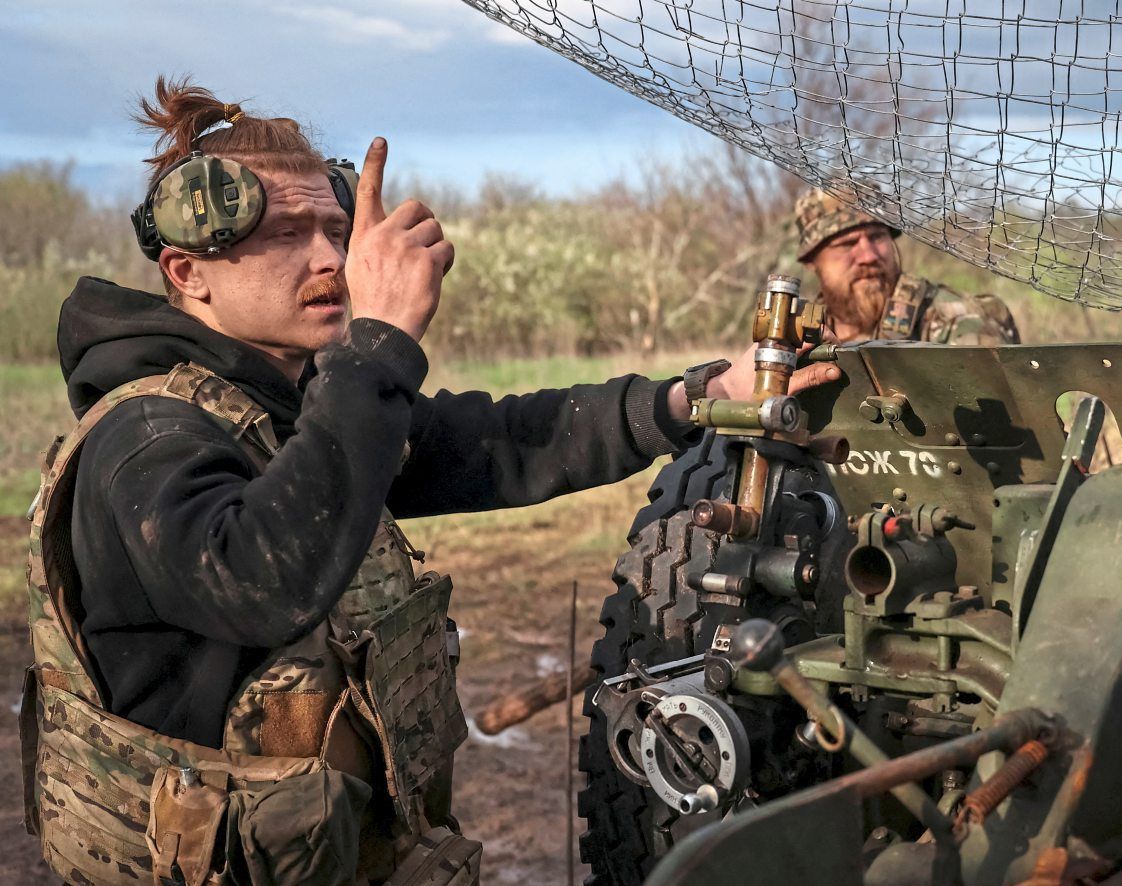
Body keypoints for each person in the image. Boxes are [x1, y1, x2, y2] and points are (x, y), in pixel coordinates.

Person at [21, 78, 840, 886]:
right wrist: (375, 341)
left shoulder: (290, 412)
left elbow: (499, 441)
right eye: (284, 233)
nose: (327, 260)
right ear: (189, 272)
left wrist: (697, 396)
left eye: (336, 229)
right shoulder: (147, 436)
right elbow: (261, 578)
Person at [793, 189, 1021, 345]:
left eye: (877, 237)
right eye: (847, 244)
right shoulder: (798, 332)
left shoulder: (950, 320)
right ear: (811, 261)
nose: (869, 256)